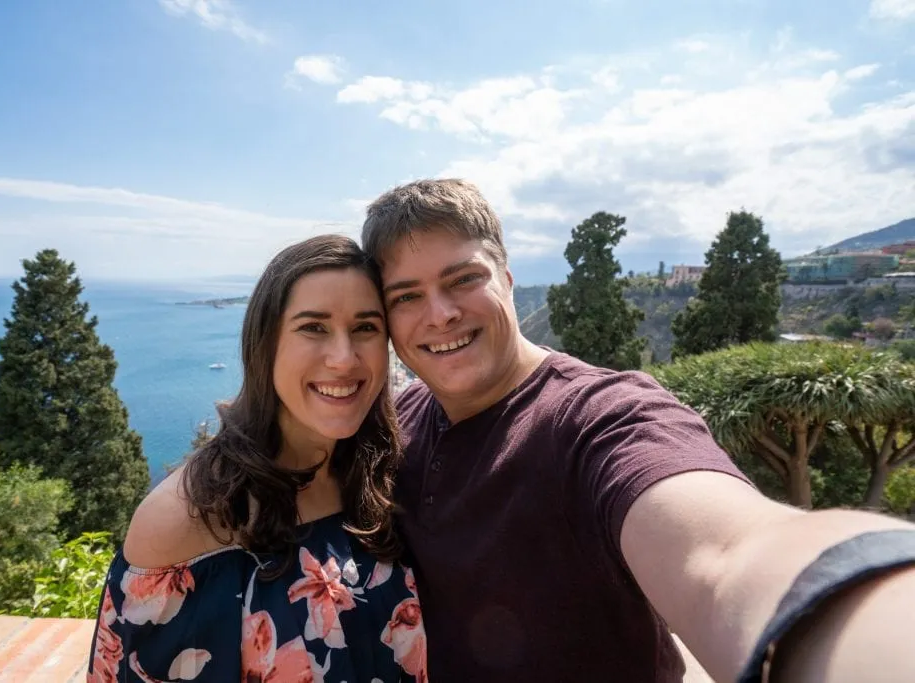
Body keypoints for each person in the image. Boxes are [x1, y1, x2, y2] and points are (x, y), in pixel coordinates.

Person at [361, 178, 915, 683]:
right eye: (406, 296)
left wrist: (853, 607)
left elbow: (724, 558)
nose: (439, 314)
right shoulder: (403, 419)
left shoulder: (602, 417)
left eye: (463, 279)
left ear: (506, 281)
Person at [86, 235, 429, 682]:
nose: (344, 359)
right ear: (265, 344)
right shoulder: (190, 521)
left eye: (365, 327)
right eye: (313, 327)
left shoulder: (379, 475)